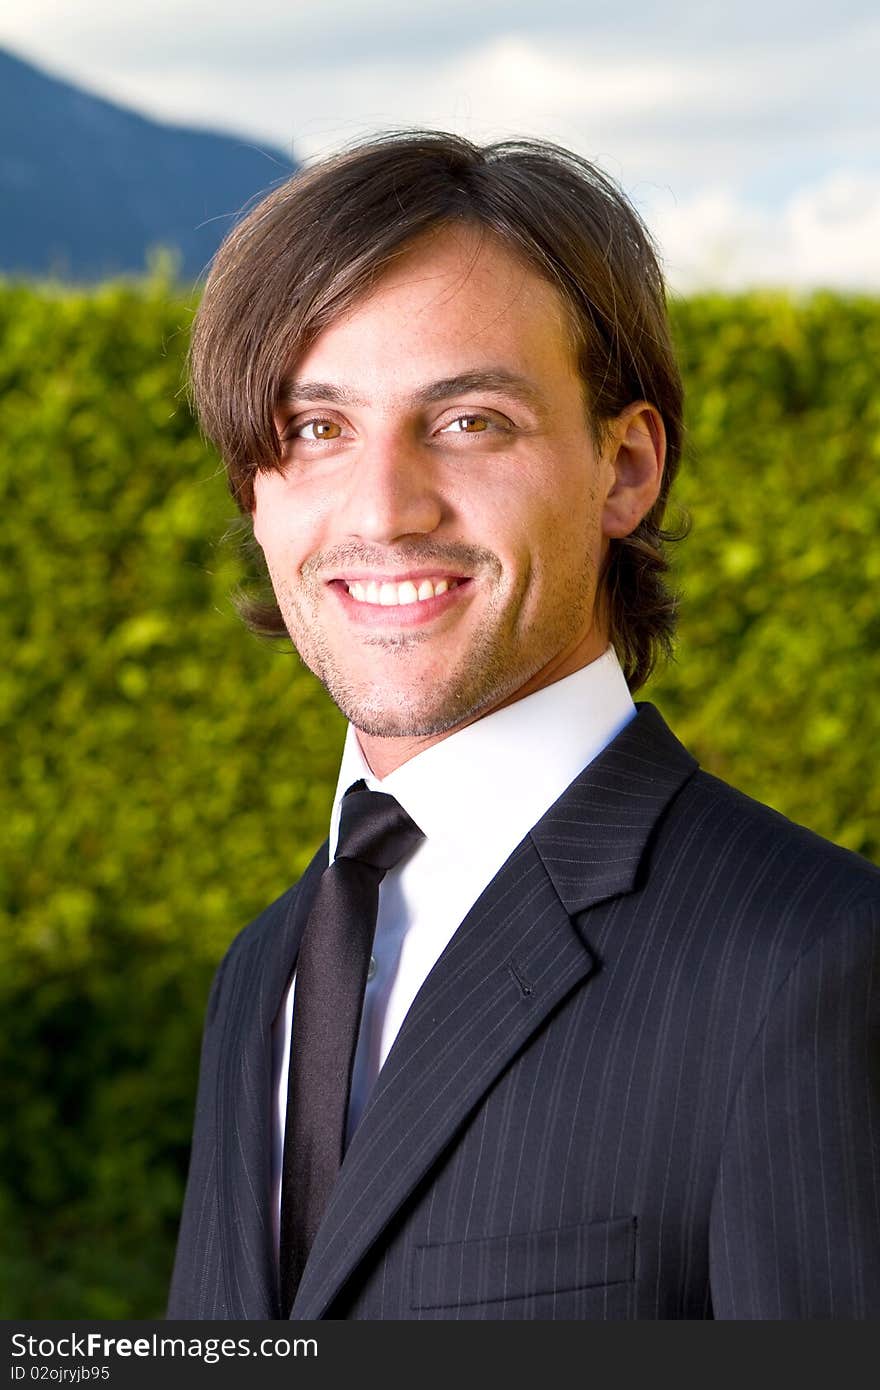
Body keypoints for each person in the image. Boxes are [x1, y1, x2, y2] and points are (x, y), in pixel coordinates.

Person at [167, 131, 880, 1321]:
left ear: (625, 467)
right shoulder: (267, 969)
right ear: (256, 485)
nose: (382, 509)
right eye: (314, 428)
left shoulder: (813, 962)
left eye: (470, 421)